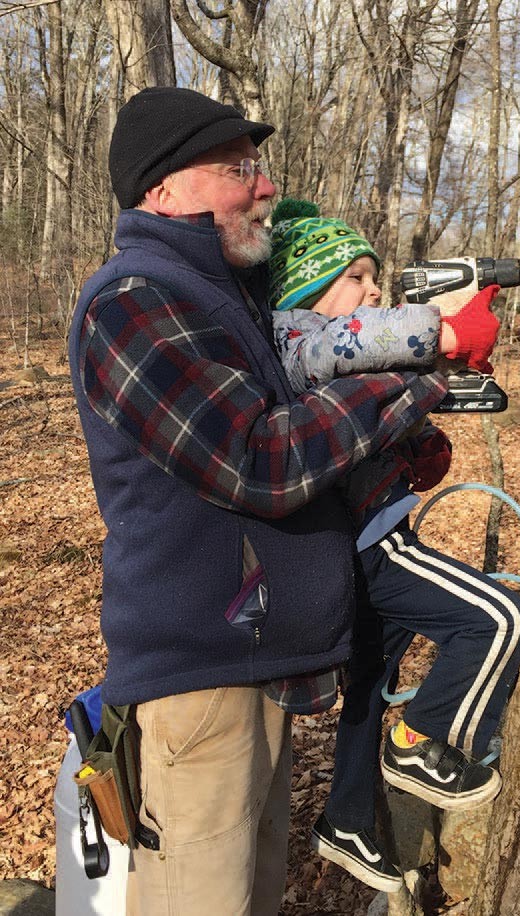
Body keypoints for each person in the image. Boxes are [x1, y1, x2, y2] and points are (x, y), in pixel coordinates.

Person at [68, 88, 455, 916]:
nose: (266, 186)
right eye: (238, 168)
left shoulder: (225, 299)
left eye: (259, 165)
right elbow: (260, 458)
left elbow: (309, 428)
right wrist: (409, 383)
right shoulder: (132, 300)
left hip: (254, 677)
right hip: (199, 689)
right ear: (163, 189)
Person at [269, 199, 520, 893]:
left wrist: (417, 443)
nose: (376, 289)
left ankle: (348, 819)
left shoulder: (324, 346)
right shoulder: (297, 335)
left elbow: (367, 402)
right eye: (359, 276)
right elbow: (352, 341)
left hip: (357, 542)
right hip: (372, 547)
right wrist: (442, 329)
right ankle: (421, 742)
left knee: (368, 686)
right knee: (498, 621)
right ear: (306, 288)